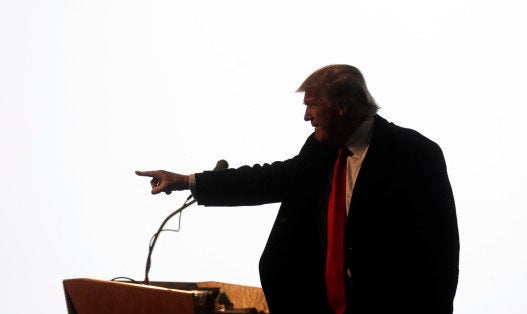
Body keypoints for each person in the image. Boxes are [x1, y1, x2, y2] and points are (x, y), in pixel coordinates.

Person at [136, 64, 459, 313]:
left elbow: (440, 254)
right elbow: (271, 179)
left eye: (313, 105)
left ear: (343, 106)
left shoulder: (414, 155)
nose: (306, 116)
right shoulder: (321, 149)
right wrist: (187, 181)